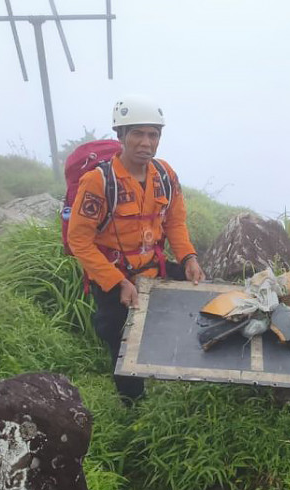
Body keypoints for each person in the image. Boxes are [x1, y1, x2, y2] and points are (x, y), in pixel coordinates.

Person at [68, 95, 204, 401]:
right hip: (114, 278)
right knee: (121, 344)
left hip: (153, 269)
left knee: (193, 304)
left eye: (153, 134)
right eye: (137, 134)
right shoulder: (98, 182)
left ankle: (178, 376)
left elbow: (175, 224)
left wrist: (189, 257)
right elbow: (79, 241)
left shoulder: (165, 175)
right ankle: (132, 407)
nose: (146, 142)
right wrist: (118, 282)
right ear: (120, 136)